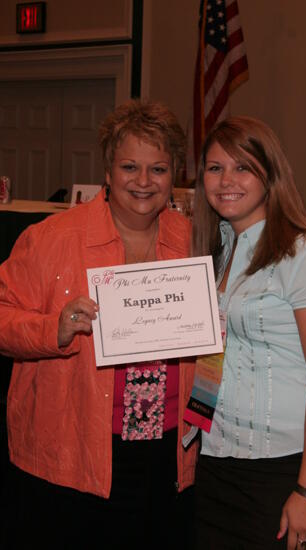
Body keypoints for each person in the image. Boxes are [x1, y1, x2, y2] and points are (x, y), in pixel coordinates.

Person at [0, 99, 198, 549]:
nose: (144, 182)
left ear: (175, 176)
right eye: (130, 166)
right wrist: (56, 328)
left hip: (166, 453)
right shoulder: (51, 239)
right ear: (107, 171)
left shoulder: (191, 239)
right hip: (73, 454)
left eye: (159, 169)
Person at [191, 116, 306, 549]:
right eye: (214, 167)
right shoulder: (215, 252)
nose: (227, 180)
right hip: (217, 465)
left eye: (242, 167)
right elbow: (214, 356)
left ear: (271, 175)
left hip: (290, 471)